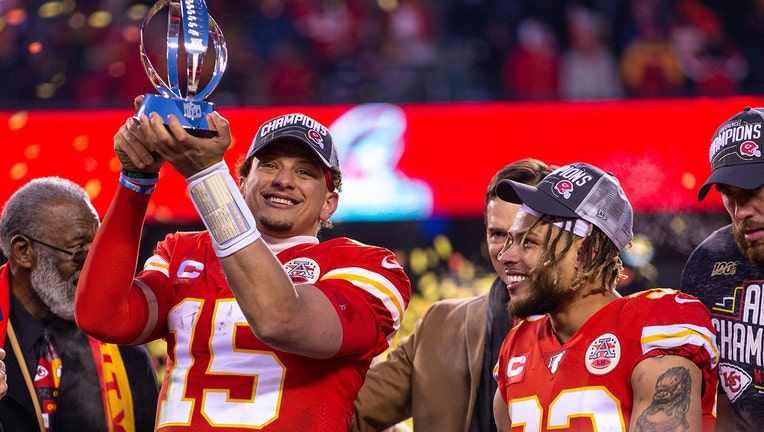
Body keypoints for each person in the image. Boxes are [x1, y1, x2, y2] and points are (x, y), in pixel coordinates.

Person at [74, 108, 412, 431]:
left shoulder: (369, 267)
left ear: (329, 204)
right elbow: (102, 317)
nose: (283, 180)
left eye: (304, 172)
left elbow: (281, 319)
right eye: (268, 165)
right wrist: (136, 181)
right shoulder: (185, 251)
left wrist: (207, 177)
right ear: (241, 182)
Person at [492, 162, 719, 431]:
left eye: (529, 242)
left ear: (586, 253)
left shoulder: (652, 327)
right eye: (511, 240)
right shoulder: (517, 346)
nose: (506, 257)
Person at [351, 158, 553, 432]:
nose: (508, 254)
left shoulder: (605, 329)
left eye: (527, 237)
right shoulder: (441, 325)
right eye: (497, 234)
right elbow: (350, 413)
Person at [0, 177, 159, 432]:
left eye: (97, 251)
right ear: (22, 251)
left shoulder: (124, 345)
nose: (93, 269)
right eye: (79, 253)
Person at [682, 106, 764, 431]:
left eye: (754, 188)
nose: (740, 210)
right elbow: (716, 393)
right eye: (729, 194)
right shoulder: (708, 263)